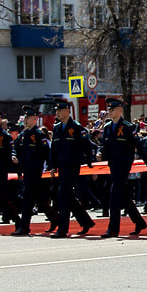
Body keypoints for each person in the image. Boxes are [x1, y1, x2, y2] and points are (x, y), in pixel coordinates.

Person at [97, 98, 147, 238]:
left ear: (120, 110)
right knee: (122, 195)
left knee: (114, 194)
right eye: (109, 109)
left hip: (123, 164)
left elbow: (137, 144)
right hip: (112, 165)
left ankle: (113, 229)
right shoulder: (108, 127)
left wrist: (146, 160)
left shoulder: (127, 127)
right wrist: (99, 152)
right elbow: (104, 145)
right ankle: (139, 222)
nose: (110, 112)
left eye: (112, 109)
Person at [49, 99, 96, 238]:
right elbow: (54, 149)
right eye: (56, 110)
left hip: (72, 166)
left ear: (67, 111)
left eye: (59, 110)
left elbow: (87, 146)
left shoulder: (76, 127)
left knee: (63, 194)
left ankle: (62, 229)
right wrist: (52, 165)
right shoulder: (57, 128)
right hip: (61, 167)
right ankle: (86, 222)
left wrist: (89, 162)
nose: (57, 113)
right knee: (67, 195)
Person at [12, 106, 58, 235]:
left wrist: (50, 166)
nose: (26, 120)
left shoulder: (38, 135)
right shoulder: (23, 135)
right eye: (25, 118)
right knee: (39, 199)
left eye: (29, 118)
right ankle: (55, 219)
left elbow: (46, 152)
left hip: (36, 171)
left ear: (34, 119)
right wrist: (14, 157)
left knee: (27, 199)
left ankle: (24, 226)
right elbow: (15, 148)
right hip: (26, 171)